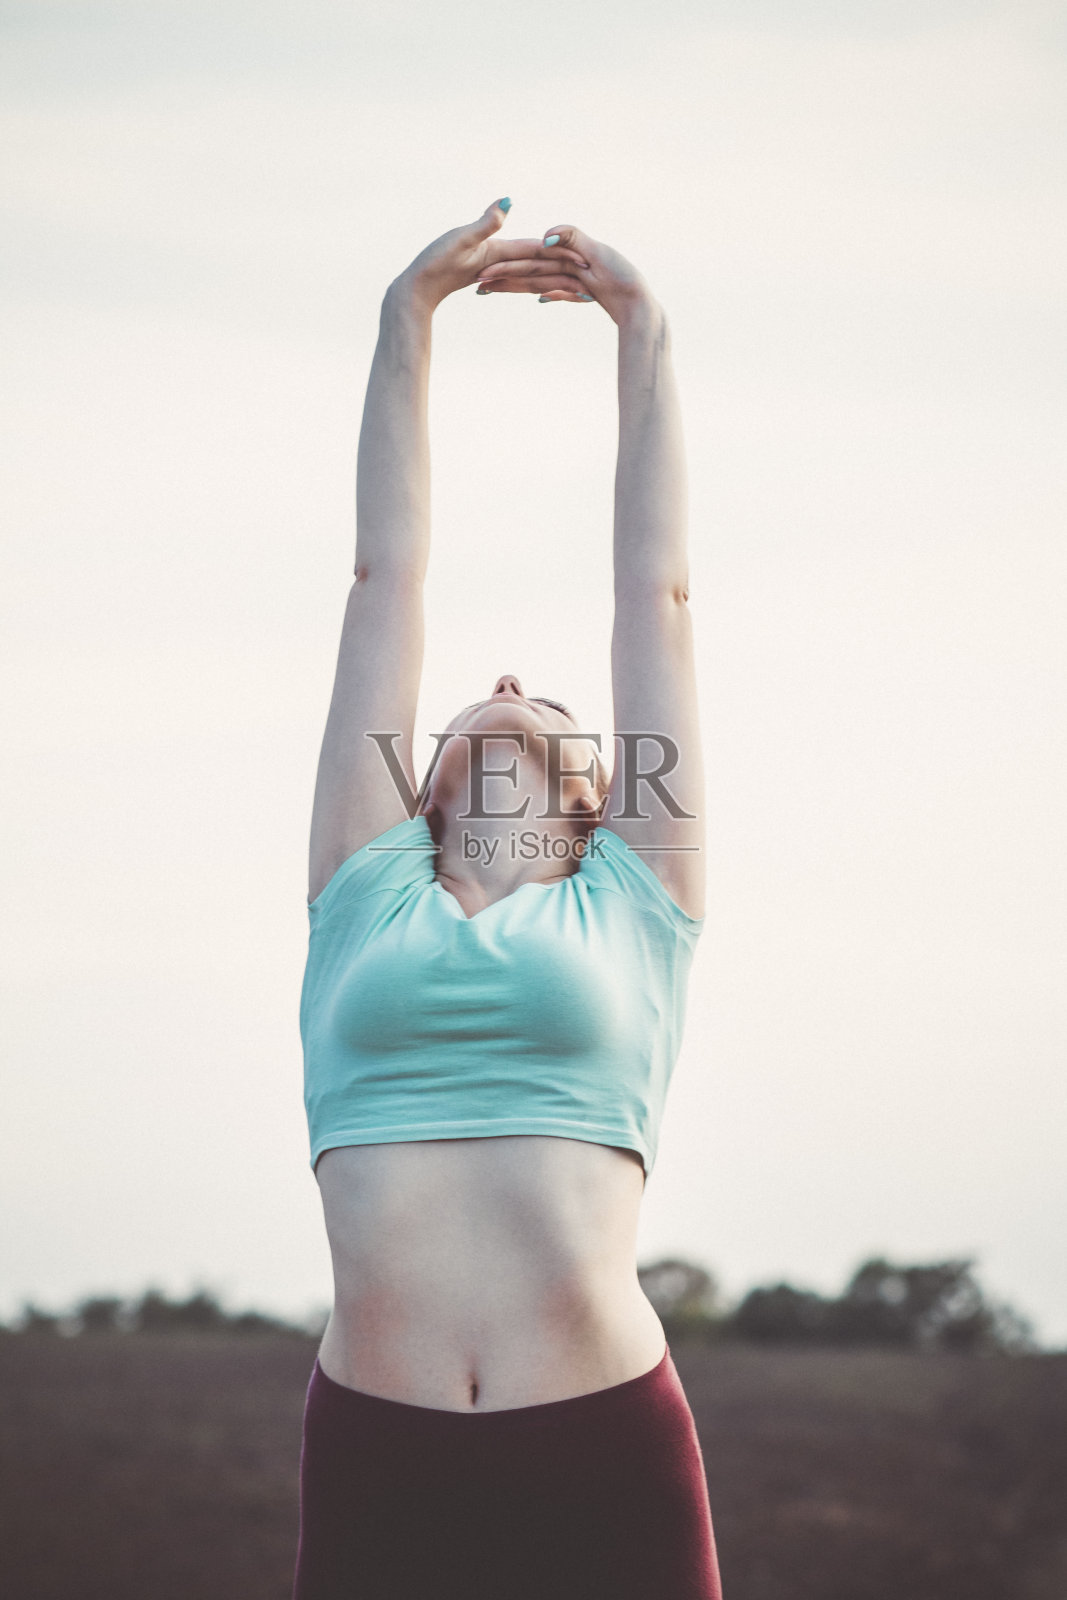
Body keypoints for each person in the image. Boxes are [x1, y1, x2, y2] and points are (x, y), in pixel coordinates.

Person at [293, 198, 722, 1600]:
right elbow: (383, 579)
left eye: (548, 699)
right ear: (410, 784)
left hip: (605, 1447)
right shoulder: (366, 893)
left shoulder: (637, 903)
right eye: (487, 688)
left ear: (607, 790)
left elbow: (653, 597)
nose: (514, 674)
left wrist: (642, 331)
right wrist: (403, 322)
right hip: (379, 1450)